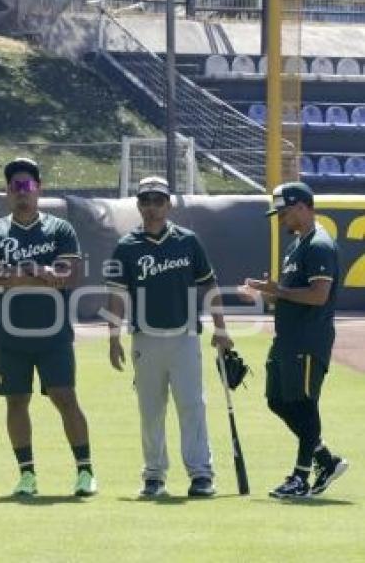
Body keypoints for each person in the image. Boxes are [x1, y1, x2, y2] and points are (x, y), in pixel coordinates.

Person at [105, 176, 233, 498]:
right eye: (146, 201)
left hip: (184, 336)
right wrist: (113, 337)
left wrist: (221, 328)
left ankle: (201, 474)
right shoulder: (126, 246)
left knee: (192, 405)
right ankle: (154, 475)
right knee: (151, 410)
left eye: (158, 201)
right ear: (138, 205)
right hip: (145, 338)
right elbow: (116, 295)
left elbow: (209, 284)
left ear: (169, 204)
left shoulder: (188, 241)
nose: (152, 207)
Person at [0, 157, 96, 497]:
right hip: (10, 333)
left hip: (52, 332)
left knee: (65, 398)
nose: (21, 192)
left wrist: (22, 276)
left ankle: (85, 471)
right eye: (15, 186)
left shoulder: (59, 229)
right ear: (6, 191)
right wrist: (41, 274)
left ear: (39, 189)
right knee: (16, 401)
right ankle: (27, 475)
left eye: (27, 185)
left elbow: (69, 276)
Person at [240, 181, 348, 498]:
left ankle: (301, 477)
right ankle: (325, 460)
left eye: (285, 212)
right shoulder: (296, 245)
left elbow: (318, 295)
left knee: (304, 403)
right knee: (277, 400)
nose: (281, 219)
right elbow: (288, 295)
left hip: (308, 339)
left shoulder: (319, 245)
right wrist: (264, 293)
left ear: (302, 207)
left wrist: (279, 291)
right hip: (288, 338)